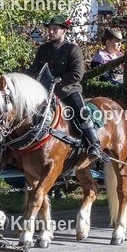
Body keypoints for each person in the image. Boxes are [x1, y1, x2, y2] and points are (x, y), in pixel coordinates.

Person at [28, 14, 101, 155]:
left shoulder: (73, 49)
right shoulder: (43, 49)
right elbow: (34, 69)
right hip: (45, 93)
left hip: (68, 91)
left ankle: (94, 144)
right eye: (49, 29)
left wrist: (57, 80)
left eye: (55, 29)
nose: (50, 31)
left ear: (64, 30)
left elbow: (77, 75)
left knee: (82, 112)